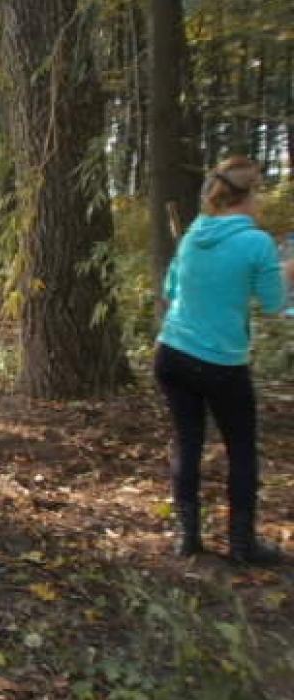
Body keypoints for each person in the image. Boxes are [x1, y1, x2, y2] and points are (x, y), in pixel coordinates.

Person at [155, 155, 287, 564]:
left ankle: (187, 538)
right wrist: (287, 271)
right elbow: (274, 302)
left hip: (172, 354)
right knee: (242, 450)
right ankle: (243, 545)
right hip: (220, 364)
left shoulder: (195, 231)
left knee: (188, 443)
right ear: (251, 194)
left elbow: (170, 287)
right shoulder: (256, 243)